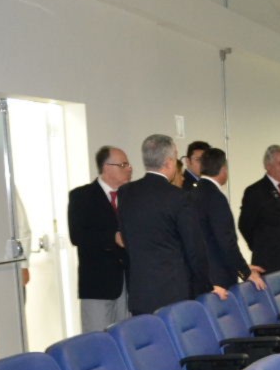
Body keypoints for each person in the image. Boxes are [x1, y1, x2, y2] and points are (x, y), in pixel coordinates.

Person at [118, 134, 224, 315]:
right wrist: (206, 286)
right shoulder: (180, 198)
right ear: (168, 162)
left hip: (140, 293)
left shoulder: (125, 192)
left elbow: (126, 238)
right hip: (174, 296)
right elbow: (194, 249)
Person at [67, 145, 131, 331]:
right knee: (97, 338)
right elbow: (77, 235)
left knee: (125, 335)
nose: (129, 168)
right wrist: (112, 237)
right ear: (107, 168)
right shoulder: (82, 196)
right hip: (98, 282)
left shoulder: (131, 196)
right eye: (123, 165)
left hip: (128, 282)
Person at [194, 147, 265, 291]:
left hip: (201, 276)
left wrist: (244, 266)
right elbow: (226, 241)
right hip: (220, 277)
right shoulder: (216, 198)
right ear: (223, 169)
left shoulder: (192, 194)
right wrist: (245, 272)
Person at [238, 144, 280, 279]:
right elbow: (245, 225)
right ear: (268, 166)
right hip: (269, 261)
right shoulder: (255, 191)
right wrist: (260, 247)